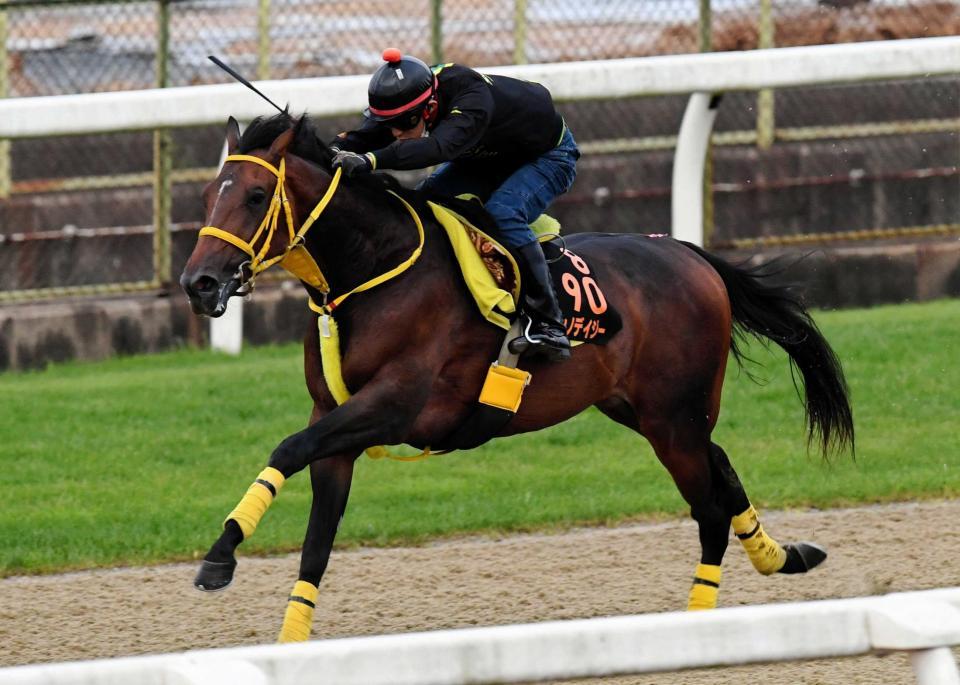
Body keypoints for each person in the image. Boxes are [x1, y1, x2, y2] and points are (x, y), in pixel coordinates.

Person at [330, 48, 580, 362]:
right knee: (422, 202)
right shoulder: (417, 95)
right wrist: (333, 149)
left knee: (503, 213)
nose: (395, 132)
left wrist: (371, 160)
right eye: (389, 122)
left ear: (430, 106)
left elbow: (436, 148)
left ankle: (549, 322)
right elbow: (369, 135)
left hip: (546, 158)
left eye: (403, 123)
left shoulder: (471, 99)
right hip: (489, 153)